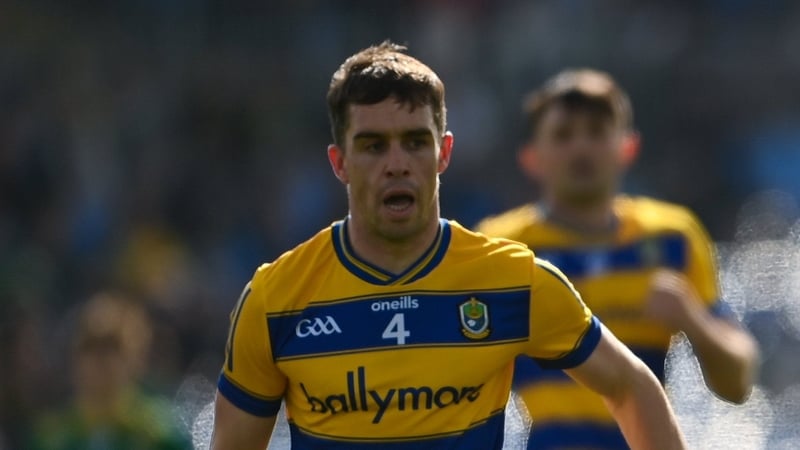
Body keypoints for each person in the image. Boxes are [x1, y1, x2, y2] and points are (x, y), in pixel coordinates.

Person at [211, 42, 686, 450]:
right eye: (374, 146)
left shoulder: (513, 280)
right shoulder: (275, 298)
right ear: (340, 161)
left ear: (443, 153)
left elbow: (631, 386)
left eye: (415, 142)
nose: (397, 164)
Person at [476, 69, 759, 449]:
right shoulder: (503, 246)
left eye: (597, 131)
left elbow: (738, 384)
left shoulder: (672, 236)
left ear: (628, 146)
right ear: (532, 158)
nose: (581, 148)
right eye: (563, 135)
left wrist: (693, 319)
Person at [30, 292, 191, 450]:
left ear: (136, 358)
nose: (101, 362)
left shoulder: (161, 435)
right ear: (75, 359)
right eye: (90, 349)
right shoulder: (53, 438)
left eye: (113, 349)